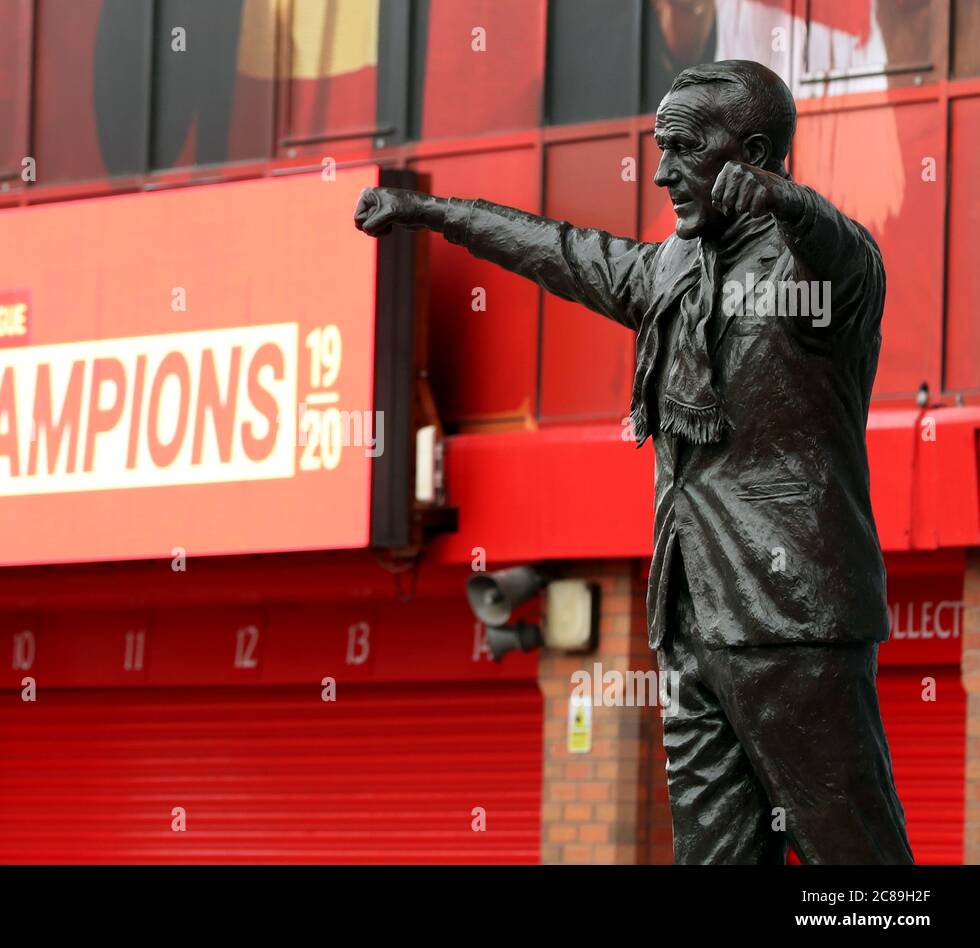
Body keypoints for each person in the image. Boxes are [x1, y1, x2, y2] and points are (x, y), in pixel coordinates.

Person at [353, 59, 913, 864]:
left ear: (753, 153)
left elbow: (835, 248)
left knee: (858, 867)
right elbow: (561, 250)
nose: (662, 172)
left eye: (685, 149)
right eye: (659, 148)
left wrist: (786, 200)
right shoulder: (670, 273)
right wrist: (432, 212)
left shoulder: (824, 274)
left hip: (789, 619)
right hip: (687, 622)